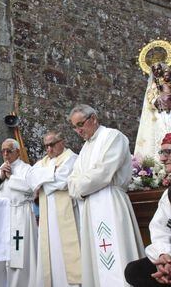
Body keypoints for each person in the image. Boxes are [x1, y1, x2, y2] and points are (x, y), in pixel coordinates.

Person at [67, 104, 144, 287]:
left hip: (110, 200)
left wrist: (79, 187)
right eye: (75, 127)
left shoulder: (113, 137)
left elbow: (103, 172)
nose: (78, 130)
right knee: (97, 258)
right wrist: (78, 186)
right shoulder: (85, 149)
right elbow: (71, 181)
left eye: (80, 124)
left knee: (118, 252)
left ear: (93, 118)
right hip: (90, 206)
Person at [125, 132, 171, 286]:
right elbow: (159, 229)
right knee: (134, 271)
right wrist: (164, 256)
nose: (162, 158)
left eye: (168, 152)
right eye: (161, 152)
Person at [0, 138, 37, 287]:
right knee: (0, 259)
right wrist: (1, 177)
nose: (5, 154)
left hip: (20, 216)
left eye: (9, 150)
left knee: (18, 259)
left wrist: (11, 178)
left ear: (17, 151)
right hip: (1, 219)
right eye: (3, 151)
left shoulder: (26, 169)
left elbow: (32, 188)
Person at [27, 131, 81, 287]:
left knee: (67, 251)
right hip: (46, 214)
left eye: (52, 144)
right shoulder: (42, 162)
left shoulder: (72, 158)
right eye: (46, 146)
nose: (49, 149)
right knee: (49, 252)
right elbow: (30, 179)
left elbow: (63, 181)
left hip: (66, 213)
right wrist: (51, 174)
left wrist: (42, 181)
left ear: (62, 142)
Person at [135, 63, 171, 160]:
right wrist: (155, 102)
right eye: (154, 70)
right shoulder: (152, 86)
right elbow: (149, 100)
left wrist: (169, 99)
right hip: (159, 115)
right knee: (160, 136)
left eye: (158, 69)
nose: (156, 72)